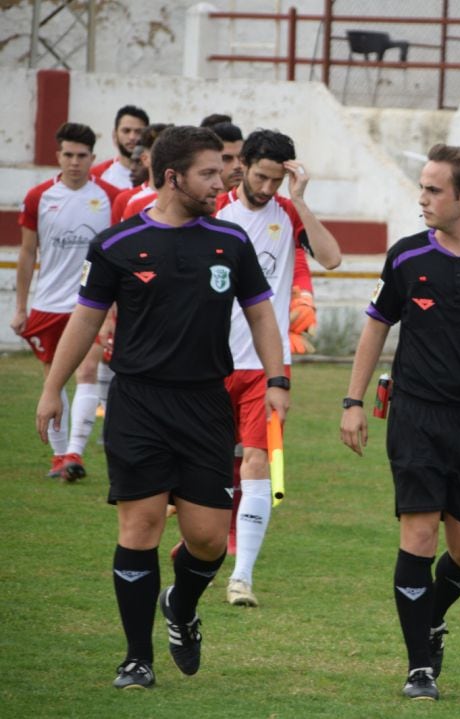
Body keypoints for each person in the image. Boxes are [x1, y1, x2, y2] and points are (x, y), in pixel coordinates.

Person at [34, 125, 288, 689]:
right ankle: (136, 657)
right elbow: (85, 320)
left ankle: (181, 603)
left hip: (205, 404)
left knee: (206, 538)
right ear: (172, 177)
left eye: (223, 172)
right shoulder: (118, 245)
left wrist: (278, 379)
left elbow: (261, 314)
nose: (223, 182)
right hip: (139, 403)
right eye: (208, 173)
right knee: (141, 525)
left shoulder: (230, 243)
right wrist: (53, 388)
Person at [340, 144, 460, 701]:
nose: (421, 198)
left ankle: (429, 615)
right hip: (416, 415)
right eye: (422, 187)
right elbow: (376, 328)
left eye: (433, 190)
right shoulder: (406, 257)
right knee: (420, 534)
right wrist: (352, 402)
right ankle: (419, 667)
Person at [216, 129, 342, 607]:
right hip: (208, 364)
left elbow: (331, 258)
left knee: (255, 463)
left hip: (266, 368)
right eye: (261, 177)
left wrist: (300, 199)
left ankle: (241, 577)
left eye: (276, 179)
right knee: (207, 469)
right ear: (243, 164)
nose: (267, 188)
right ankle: (202, 551)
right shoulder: (215, 213)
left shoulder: (287, 214)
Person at [13, 122, 119, 480]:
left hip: (91, 303)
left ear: (93, 157)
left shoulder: (109, 197)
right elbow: (28, 254)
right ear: (58, 155)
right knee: (53, 382)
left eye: (82, 155)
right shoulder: (38, 197)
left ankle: (75, 454)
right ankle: (60, 458)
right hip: (48, 304)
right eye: (68, 155)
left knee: (87, 371)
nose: (75, 162)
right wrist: (20, 307)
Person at [91, 105, 150, 191]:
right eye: (126, 131)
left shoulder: (158, 177)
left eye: (138, 132)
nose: (132, 137)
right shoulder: (96, 175)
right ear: (114, 135)